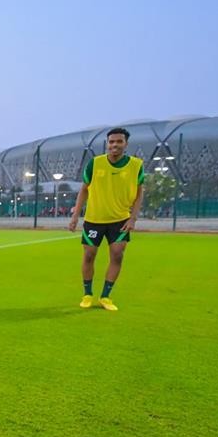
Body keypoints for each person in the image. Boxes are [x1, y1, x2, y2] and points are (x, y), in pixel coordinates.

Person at [68, 127, 144, 311]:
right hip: (94, 219)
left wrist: (133, 218)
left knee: (117, 255)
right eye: (111, 142)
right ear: (107, 144)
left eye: (119, 142)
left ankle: (105, 296)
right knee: (89, 254)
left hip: (120, 220)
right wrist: (75, 215)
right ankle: (87, 294)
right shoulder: (95, 163)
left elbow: (140, 192)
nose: (114, 145)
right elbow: (84, 189)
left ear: (126, 144)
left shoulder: (136, 165)